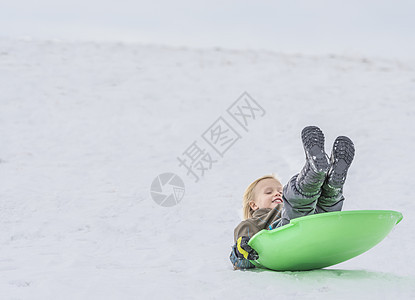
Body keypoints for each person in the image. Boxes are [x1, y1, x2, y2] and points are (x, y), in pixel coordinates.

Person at [229, 126, 355, 269]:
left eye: (279, 191)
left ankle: (331, 185)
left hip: (315, 231)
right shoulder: (253, 222)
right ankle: (311, 179)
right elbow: (240, 255)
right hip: (285, 237)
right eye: (268, 192)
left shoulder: (286, 205)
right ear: (253, 205)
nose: (277, 194)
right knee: (297, 206)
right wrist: (241, 250)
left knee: (323, 207)